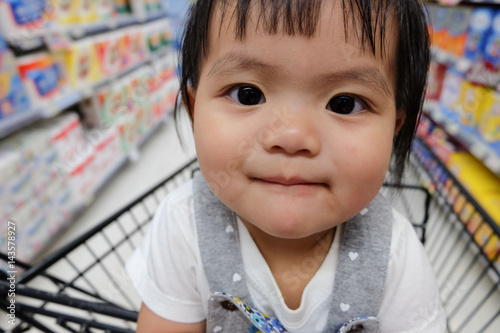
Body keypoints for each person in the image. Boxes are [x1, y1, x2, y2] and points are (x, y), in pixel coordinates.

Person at [126, 0, 447, 332]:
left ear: (394, 127)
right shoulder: (183, 227)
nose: (292, 136)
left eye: (344, 103)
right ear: (194, 111)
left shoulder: (396, 256)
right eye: (248, 94)